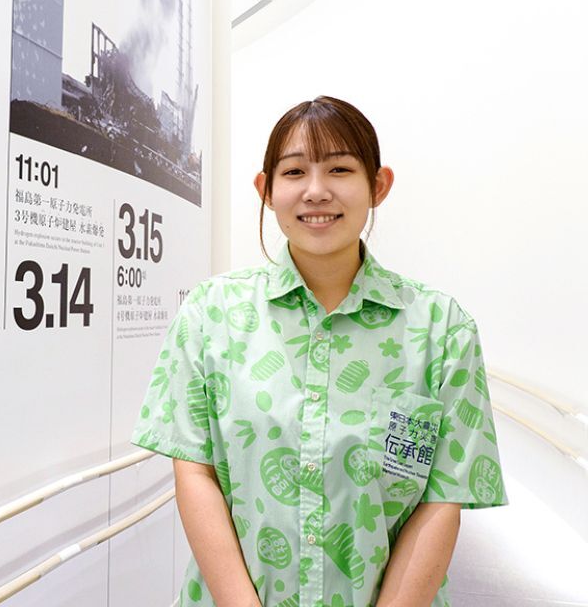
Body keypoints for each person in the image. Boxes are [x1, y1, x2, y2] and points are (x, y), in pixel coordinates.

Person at [131, 96, 506, 607]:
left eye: (339, 169)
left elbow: (443, 499)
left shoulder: (442, 329)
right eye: (293, 172)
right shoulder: (210, 314)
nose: (315, 190)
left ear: (378, 186)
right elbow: (195, 472)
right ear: (266, 190)